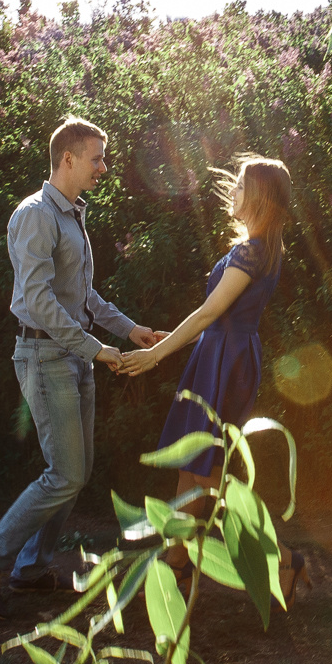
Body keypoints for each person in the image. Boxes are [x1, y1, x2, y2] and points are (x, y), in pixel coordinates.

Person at [0, 118, 165, 621]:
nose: (104, 166)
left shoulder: (73, 214)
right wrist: (99, 350)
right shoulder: (35, 215)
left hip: (73, 354)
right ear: (67, 158)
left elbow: (84, 295)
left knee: (74, 473)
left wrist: (129, 330)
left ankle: (30, 571)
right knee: (66, 474)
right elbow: (41, 301)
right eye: (97, 157)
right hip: (44, 354)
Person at [116, 156, 304, 598]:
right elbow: (215, 318)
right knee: (193, 467)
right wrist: (179, 340)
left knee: (209, 476)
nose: (232, 192)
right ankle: (177, 562)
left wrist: (158, 354)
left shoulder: (253, 251)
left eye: (240, 186)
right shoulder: (261, 249)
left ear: (258, 197)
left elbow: (210, 312)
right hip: (220, 354)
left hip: (226, 360)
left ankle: (283, 559)